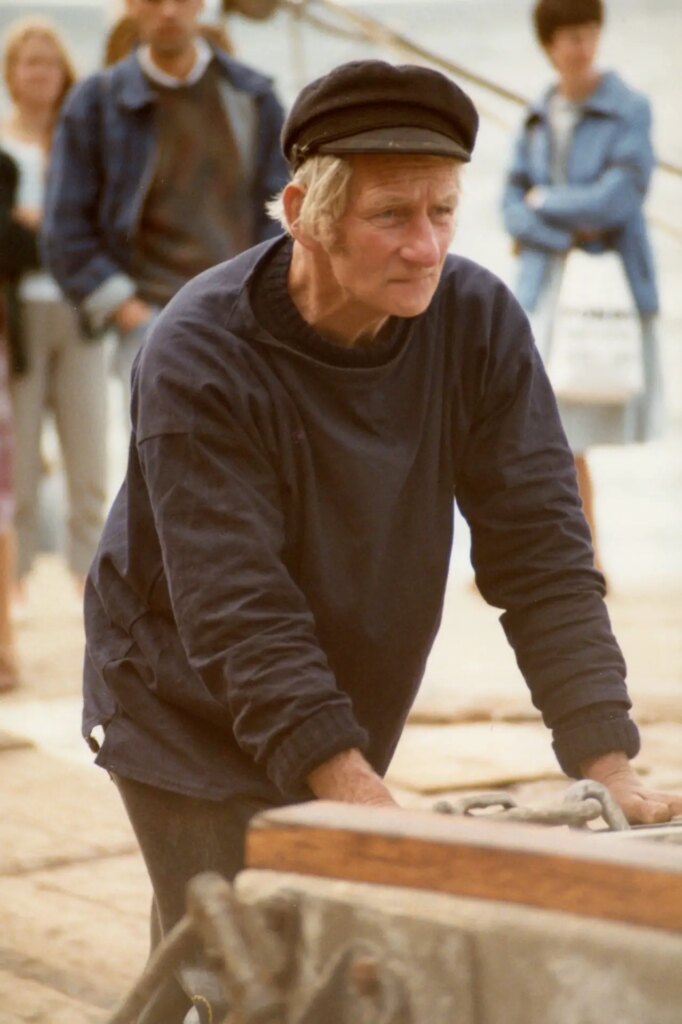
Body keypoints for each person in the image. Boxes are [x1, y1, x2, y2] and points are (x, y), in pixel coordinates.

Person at [81, 60, 682, 1022]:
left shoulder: (477, 320)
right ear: (301, 210)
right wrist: (354, 791)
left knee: (230, 964)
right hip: (177, 697)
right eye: (393, 216)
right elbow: (237, 607)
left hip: (338, 690)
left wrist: (605, 758)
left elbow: (541, 550)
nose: (427, 246)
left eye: (444, 212)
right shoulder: (199, 349)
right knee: (255, 971)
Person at [42, 0, 288, 417]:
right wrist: (123, 307)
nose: (169, 11)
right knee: (158, 462)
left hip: (242, 317)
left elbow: (283, 209)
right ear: (130, 6)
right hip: (147, 320)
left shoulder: (253, 95)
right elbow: (64, 227)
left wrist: (261, 299)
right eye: (154, 0)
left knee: (245, 462)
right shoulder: (95, 103)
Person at [502, 0, 662, 576]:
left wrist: (546, 206)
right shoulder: (537, 112)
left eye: (589, 31)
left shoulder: (628, 109)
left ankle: (582, 558)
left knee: (568, 435)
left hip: (603, 294)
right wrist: (563, 221)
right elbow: (509, 208)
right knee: (536, 427)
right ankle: (552, 556)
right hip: (544, 291)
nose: (582, 45)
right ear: (550, 45)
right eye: (570, 35)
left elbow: (620, 199)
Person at [0, 17, 108, 606]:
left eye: (48, 61)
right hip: (15, 318)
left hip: (77, 310)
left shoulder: (83, 142)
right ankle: (9, 596)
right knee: (13, 466)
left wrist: (35, 229)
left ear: (63, 71)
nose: (39, 72)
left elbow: (102, 228)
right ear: (11, 74)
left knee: (88, 455)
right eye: (28, 62)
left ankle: (89, 586)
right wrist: (44, 235)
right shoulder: (1, 144)